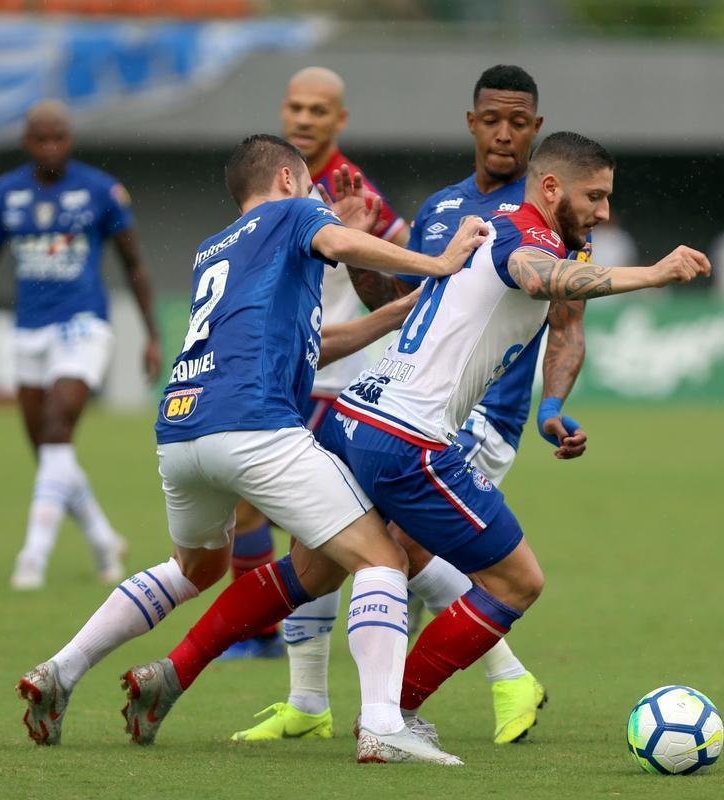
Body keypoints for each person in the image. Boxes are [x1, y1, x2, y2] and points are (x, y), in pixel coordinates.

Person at [124, 131, 710, 763]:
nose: (603, 211)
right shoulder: (525, 234)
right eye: (594, 196)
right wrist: (652, 274)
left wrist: (550, 409)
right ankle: (393, 713)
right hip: (407, 440)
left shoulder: (510, 230)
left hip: (356, 414)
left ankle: (172, 673)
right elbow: (539, 278)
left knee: (310, 572)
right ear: (550, 188)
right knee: (516, 581)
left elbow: (542, 304)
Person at [15, 134, 488, 766]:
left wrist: (396, 311)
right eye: (311, 189)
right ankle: (382, 726)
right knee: (382, 557)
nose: (319, 203)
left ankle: (61, 670)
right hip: (252, 425)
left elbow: (313, 344)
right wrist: (439, 263)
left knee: (196, 569)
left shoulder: (217, 248)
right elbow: (338, 242)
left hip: (182, 428)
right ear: (289, 180)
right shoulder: (295, 211)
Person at [231, 64, 586, 748]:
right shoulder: (442, 209)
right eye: (492, 119)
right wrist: (357, 256)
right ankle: (315, 701)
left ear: (536, 130)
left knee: (389, 543)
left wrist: (552, 407)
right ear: (472, 123)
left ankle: (475, 685)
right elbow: (404, 305)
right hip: (406, 407)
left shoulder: (554, 214)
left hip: (480, 418)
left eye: (518, 122)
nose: (504, 133)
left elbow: (568, 325)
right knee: (330, 532)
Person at [219, 66, 411, 660]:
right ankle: (261, 637)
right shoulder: (267, 182)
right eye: (296, 107)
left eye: (318, 110)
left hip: (334, 377)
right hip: (276, 373)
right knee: (249, 504)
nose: (304, 119)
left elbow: (401, 266)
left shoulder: (355, 191)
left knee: (326, 522)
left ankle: (394, 615)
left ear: (339, 119)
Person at [0, 100, 161, 591]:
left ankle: (33, 557)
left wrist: (152, 334)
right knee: (51, 451)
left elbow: (134, 263)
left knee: (55, 427)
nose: (50, 147)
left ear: (70, 139)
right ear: (26, 142)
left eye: (59, 138)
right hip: (29, 330)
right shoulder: (5, 193)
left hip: (84, 324)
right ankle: (104, 540)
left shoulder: (100, 190)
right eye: (41, 139)